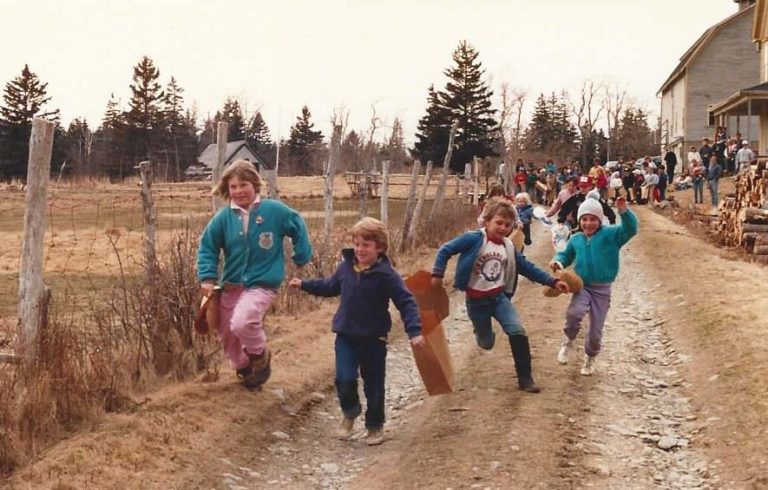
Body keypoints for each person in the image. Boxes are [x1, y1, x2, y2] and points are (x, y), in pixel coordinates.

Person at [289, 217, 424, 445]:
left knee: (374, 384)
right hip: (346, 335)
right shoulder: (346, 267)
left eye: (366, 245)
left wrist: (414, 331)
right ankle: (350, 411)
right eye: (357, 244)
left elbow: (407, 302)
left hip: (374, 338)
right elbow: (330, 286)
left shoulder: (387, 275)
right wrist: (304, 284)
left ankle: (374, 426)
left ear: (379, 247)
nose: (360, 249)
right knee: (345, 378)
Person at [431, 197, 569, 393]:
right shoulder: (473, 239)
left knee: (517, 330)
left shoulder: (509, 247)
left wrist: (553, 281)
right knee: (486, 343)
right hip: (476, 301)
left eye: (507, 224)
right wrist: (437, 273)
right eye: (498, 223)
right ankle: (481, 333)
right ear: (487, 221)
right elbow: (446, 250)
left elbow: (527, 268)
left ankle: (525, 378)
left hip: (498, 298)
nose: (503, 228)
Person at [197, 159, 313, 390]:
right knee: (228, 332)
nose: (238, 191)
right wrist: (208, 277)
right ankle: (245, 371)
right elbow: (208, 246)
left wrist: (301, 255)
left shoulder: (274, 211)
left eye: (244, 185)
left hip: (262, 281)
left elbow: (297, 224)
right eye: (233, 187)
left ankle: (260, 356)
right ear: (227, 190)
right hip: (231, 283)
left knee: (243, 321)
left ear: (255, 185)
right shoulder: (224, 217)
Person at [550, 195, 638, 375]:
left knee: (595, 330)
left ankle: (590, 357)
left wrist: (624, 212)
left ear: (600, 220)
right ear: (579, 220)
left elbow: (630, 229)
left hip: (602, 289)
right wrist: (558, 262)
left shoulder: (611, 235)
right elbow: (565, 255)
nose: (588, 223)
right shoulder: (576, 239)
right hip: (582, 286)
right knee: (574, 313)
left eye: (592, 219)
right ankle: (568, 340)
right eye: (584, 219)